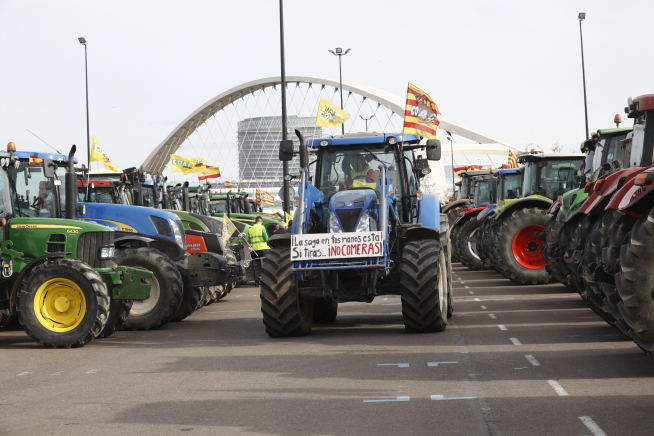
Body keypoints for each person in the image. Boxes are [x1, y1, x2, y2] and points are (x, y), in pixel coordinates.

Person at [247, 216, 269, 286]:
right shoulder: (262, 227)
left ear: (255, 221)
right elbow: (266, 239)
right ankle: (264, 281)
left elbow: (249, 240)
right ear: (261, 221)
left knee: (256, 266)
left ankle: (257, 281)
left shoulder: (251, 229)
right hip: (262, 249)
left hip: (254, 250)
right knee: (264, 265)